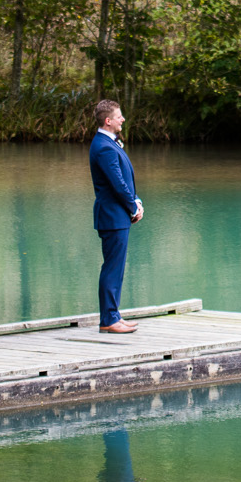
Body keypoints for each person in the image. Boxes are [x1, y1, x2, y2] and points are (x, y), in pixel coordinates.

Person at [88, 99, 142, 333]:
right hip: (112, 216)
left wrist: (136, 201)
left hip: (117, 215)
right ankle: (108, 320)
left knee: (116, 267)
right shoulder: (103, 147)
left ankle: (114, 315)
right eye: (119, 116)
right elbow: (117, 184)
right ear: (108, 121)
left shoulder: (109, 143)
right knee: (112, 267)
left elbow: (124, 179)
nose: (123, 119)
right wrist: (133, 206)